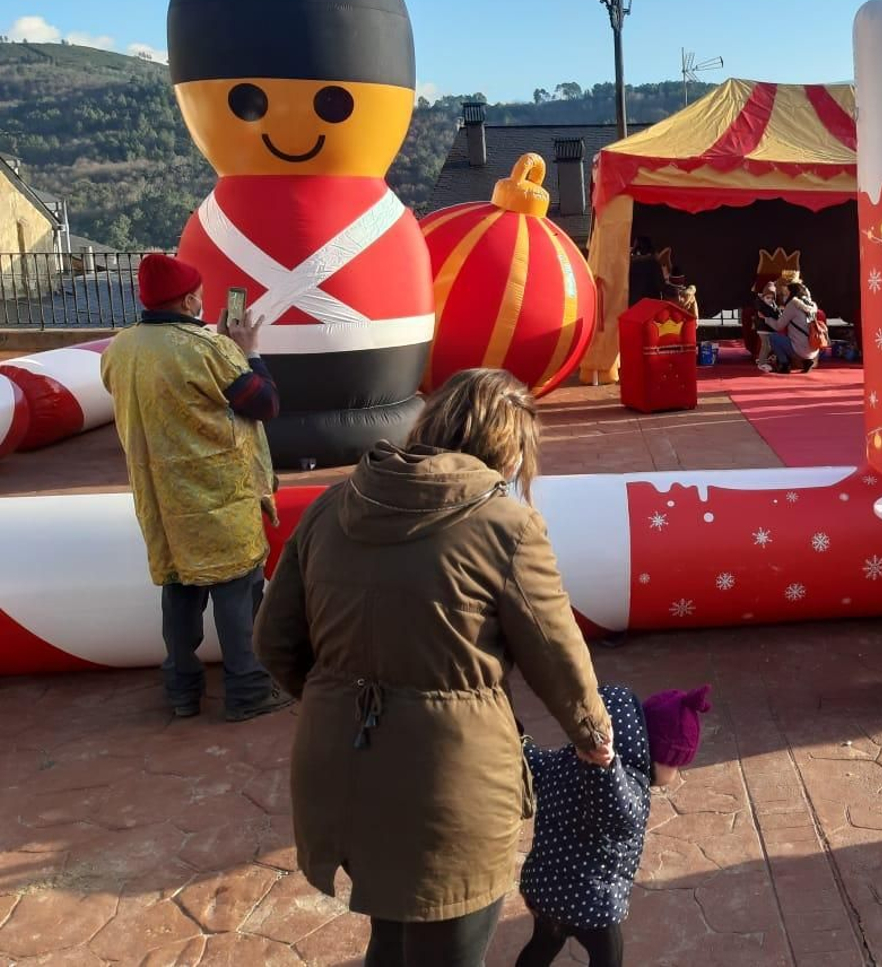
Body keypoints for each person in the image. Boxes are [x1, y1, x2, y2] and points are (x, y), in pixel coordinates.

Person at [254, 368, 614, 967]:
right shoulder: (508, 526)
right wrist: (594, 736)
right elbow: (558, 653)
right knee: (445, 944)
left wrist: (338, 695)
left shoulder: (333, 503)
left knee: (391, 939)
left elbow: (273, 640)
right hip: (450, 781)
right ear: (509, 447)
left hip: (337, 761)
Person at [99, 253, 291, 723]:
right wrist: (248, 350)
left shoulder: (119, 350)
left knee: (179, 586)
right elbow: (264, 404)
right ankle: (246, 688)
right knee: (237, 589)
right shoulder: (210, 350)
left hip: (160, 497)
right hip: (217, 494)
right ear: (189, 300)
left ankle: (182, 690)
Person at [516, 684, 712, 967]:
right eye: (677, 763)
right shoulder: (619, 780)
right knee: (609, 956)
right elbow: (619, 811)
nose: (676, 772)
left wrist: (520, 744)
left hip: (545, 888)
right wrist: (604, 769)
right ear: (659, 753)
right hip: (590, 903)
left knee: (543, 943)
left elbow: (538, 765)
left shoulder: (571, 758)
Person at [768, 279, 822, 375]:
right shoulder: (811, 305)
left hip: (800, 349)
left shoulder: (793, 304)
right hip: (814, 348)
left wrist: (766, 319)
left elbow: (778, 326)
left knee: (773, 337)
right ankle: (807, 362)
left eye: (786, 293)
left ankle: (784, 365)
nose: (785, 295)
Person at [751, 281, 782, 371]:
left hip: (768, 328)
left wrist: (777, 312)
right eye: (767, 297)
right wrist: (776, 313)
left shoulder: (772, 304)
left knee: (768, 345)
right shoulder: (761, 305)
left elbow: (775, 313)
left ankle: (763, 359)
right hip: (763, 328)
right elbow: (769, 313)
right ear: (763, 297)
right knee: (766, 345)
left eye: (772, 298)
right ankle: (762, 363)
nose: (770, 300)